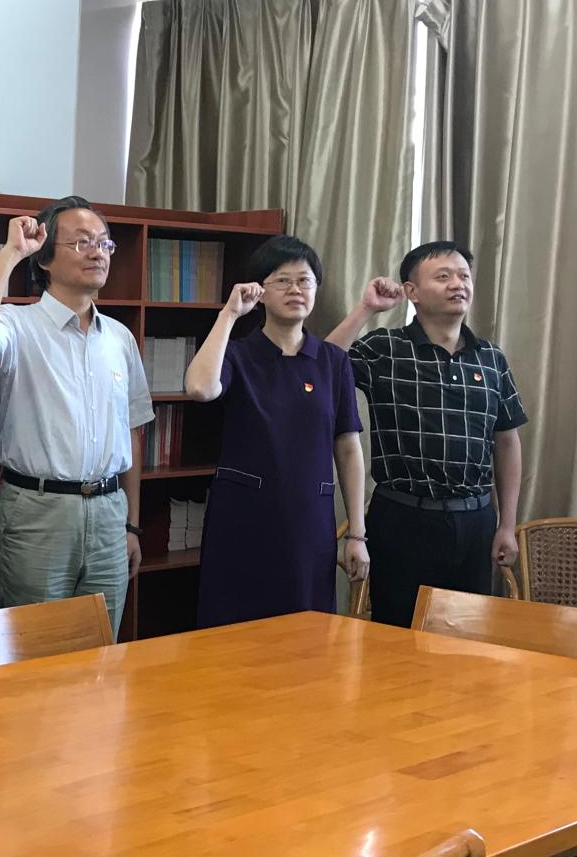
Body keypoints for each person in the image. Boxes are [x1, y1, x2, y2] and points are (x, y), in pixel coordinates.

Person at [0, 198, 151, 638]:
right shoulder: (16, 324)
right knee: (34, 649)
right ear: (44, 258)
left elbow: (133, 432)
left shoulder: (119, 337)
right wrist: (11, 253)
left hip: (109, 512)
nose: (97, 252)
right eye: (82, 242)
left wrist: (132, 524)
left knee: (102, 650)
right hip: (39, 511)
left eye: (104, 243)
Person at [326, 241, 528, 628]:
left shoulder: (491, 358)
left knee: (467, 637)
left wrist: (507, 524)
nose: (458, 284)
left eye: (464, 276)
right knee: (398, 637)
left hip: (475, 520)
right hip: (403, 518)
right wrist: (366, 309)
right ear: (412, 291)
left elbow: (506, 441)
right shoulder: (385, 348)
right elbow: (319, 367)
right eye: (443, 276)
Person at [186, 236, 368, 625]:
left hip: (309, 520)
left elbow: (348, 448)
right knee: (233, 630)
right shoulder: (238, 354)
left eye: (305, 281)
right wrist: (229, 314)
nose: (295, 290)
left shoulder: (332, 361)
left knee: (307, 630)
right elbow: (200, 388)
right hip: (243, 518)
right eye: (282, 281)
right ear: (260, 292)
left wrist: (357, 533)